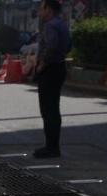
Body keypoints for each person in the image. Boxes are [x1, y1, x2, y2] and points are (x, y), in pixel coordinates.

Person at [33, 0, 71, 158]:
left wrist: (42, 65)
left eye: (42, 8)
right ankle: (53, 145)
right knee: (54, 109)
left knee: (47, 109)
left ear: (49, 9)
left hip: (50, 70)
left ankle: (51, 147)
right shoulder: (62, 24)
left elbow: (51, 46)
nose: (40, 11)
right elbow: (68, 46)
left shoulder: (50, 25)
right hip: (60, 67)